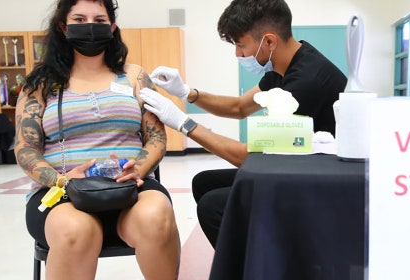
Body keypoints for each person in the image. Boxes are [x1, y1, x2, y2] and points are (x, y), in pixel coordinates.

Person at [14, 1, 180, 280]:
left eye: (99, 19)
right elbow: (25, 149)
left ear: (112, 27)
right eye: (79, 18)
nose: (89, 25)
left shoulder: (135, 77)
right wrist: (62, 179)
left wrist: (139, 168)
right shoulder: (40, 84)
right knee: (76, 231)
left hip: (131, 188)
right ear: (63, 26)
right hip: (63, 194)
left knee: (155, 217)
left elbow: (157, 138)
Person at [141, 0, 347, 248]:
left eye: (241, 45)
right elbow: (239, 107)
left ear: (269, 41)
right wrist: (187, 93)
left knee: (214, 206)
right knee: (204, 182)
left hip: (318, 185)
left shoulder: (305, 83)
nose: (238, 54)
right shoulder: (288, 64)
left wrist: (184, 123)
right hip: (299, 166)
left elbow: (247, 156)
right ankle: (250, 263)